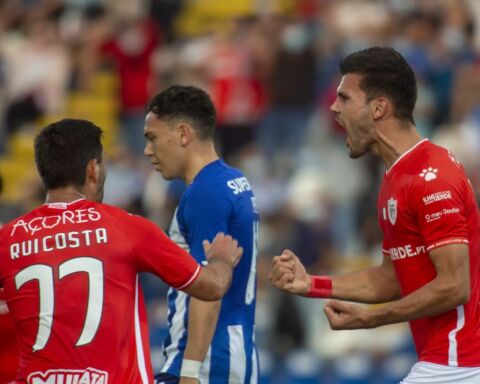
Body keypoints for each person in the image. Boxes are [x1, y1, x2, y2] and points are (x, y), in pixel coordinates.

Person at [269, 47, 480, 383]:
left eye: (344, 98)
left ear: (379, 107)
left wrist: (371, 319)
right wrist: (312, 283)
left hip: (461, 365)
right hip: (445, 364)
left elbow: (455, 286)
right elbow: (393, 277)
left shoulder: (432, 174)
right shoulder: (396, 177)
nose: (333, 107)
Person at [0, 118, 243, 383]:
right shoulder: (126, 227)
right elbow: (211, 287)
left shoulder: (8, 238)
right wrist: (221, 261)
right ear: (93, 169)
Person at [144, 85, 259, 384]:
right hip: (234, 349)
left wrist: (190, 373)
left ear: (183, 134)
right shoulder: (233, 180)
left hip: (206, 360)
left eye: (153, 138)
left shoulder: (204, 192)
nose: (147, 150)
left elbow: (208, 288)